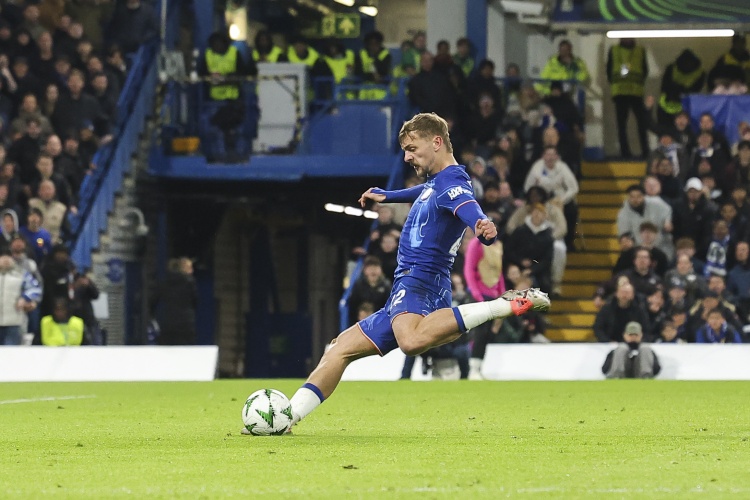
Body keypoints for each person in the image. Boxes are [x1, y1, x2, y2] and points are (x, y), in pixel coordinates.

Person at [262, 113, 550, 434]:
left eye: (412, 149)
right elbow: (426, 192)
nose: (407, 157)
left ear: (437, 142)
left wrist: (481, 224)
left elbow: (466, 205)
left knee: (410, 341)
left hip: (419, 283)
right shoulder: (438, 182)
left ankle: (504, 304)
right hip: (413, 286)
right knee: (340, 348)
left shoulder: (452, 183)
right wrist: (388, 195)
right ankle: (286, 419)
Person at [198, 30, 256, 161]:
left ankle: (237, 152)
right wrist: (210, 77)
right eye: (214, 44)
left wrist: (230, 78)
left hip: (233, 98)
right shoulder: (208, 55)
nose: (217, 46)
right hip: (214, 99)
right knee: (214, 125)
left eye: (219, 43)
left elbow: (243, 72)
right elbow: (202, 73)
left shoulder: (234, 53)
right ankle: (218, 153)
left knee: (234, 124)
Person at [607, 38, 649, 158]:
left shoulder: (640, 50)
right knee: (623, 125)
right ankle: (626, 152)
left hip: (633, 92)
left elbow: (645, 70)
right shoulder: (614, 50)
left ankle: (644, 152)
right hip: (624, 93)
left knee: (641, 123)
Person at [150, 257, 198, 345]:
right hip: (186, 324)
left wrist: (153, 318)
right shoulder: (190, 282)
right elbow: (195, 301)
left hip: (168, 322)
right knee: (187, 350)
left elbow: (152, 302)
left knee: (167, 350)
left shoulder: (164, 283)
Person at [657, 49, 705, 126]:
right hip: (683, 108)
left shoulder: (671, 68)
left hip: (665, 105)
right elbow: (695, 91)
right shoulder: (700, 73)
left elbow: (664, 88)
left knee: (664, 130)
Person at [0, 254, 41, 345]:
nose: (5, 260)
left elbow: (35, 289)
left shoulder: (21, 274)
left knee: (11, 351)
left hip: (14, 322)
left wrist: (25, 298)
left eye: (8, 257)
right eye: (3, 257)